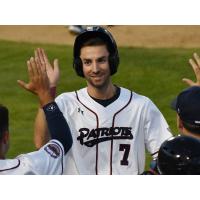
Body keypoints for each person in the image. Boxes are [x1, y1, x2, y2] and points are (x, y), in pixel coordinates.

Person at [33, 26, 172, 175]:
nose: (95, 69)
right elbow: (42, 143)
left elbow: (167, 156)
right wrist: (47, 94)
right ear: (80, 65)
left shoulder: (141, 106)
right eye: (87, 62)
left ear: (112, 61)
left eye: (101, 60)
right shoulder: (65, 103)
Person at [0, 56, 72, 174]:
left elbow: (42, 143)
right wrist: (45, 93)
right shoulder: (24, 168)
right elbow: (62, 142)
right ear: (5, 137)